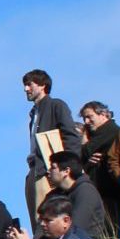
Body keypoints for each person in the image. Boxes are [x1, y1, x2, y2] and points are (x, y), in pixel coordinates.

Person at [23, 69, 79, 227]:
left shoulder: (56, 105)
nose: (26, 89)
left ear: (42, 85)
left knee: (49, 218)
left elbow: (71, 137)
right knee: (38, 221)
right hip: (35, 169)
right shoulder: (34, 114)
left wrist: (66, 167)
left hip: (49, 171)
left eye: (29, 84)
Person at [77, 101, 120, 239]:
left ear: (103, 114)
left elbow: (86, 151)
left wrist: (84, 142)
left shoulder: (110, 130)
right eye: (84, 118)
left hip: (108, 192)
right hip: (100, 190)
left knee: (108, 232)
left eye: (89, 117)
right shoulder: (98, 133)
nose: (86, 122)